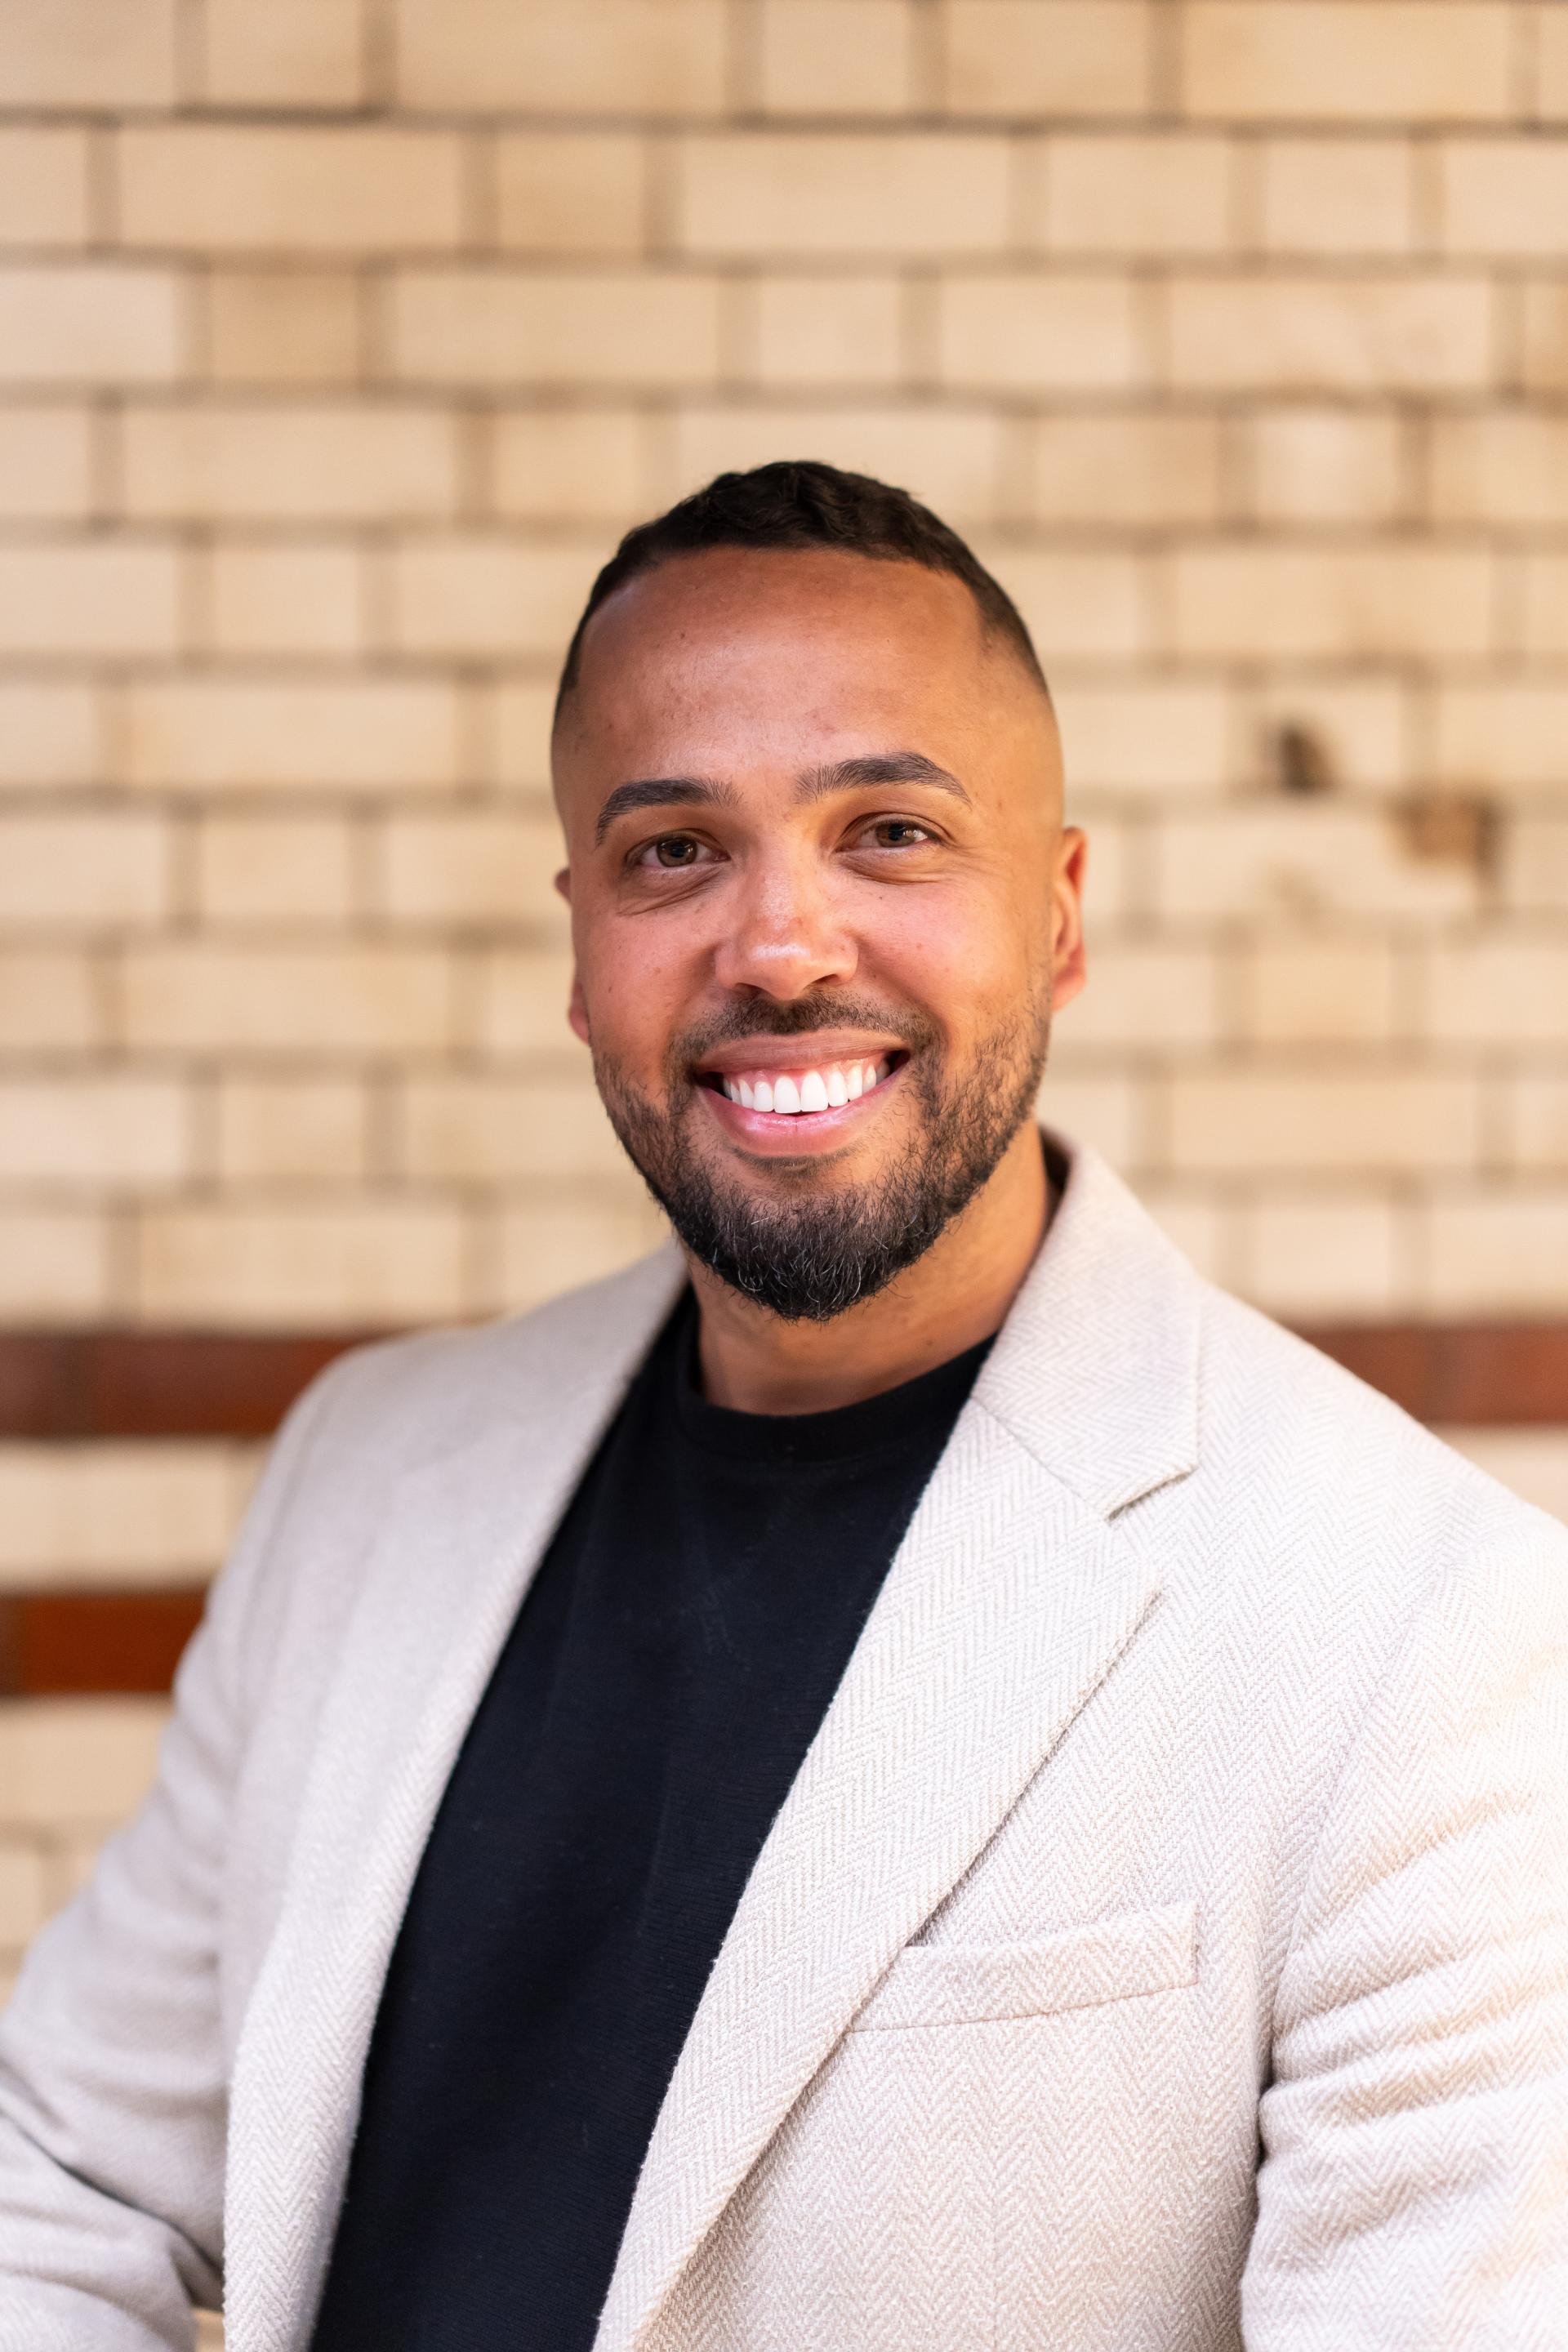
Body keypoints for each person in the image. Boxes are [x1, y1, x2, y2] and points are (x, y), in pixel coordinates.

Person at [1, 461, 1565, 2352]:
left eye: (891, 831)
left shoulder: (1434, 1628)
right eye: (675, 851)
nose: (781, 947)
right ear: (581, 947)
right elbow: (64, 2183)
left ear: (1058, 917)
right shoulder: (369, 1472)